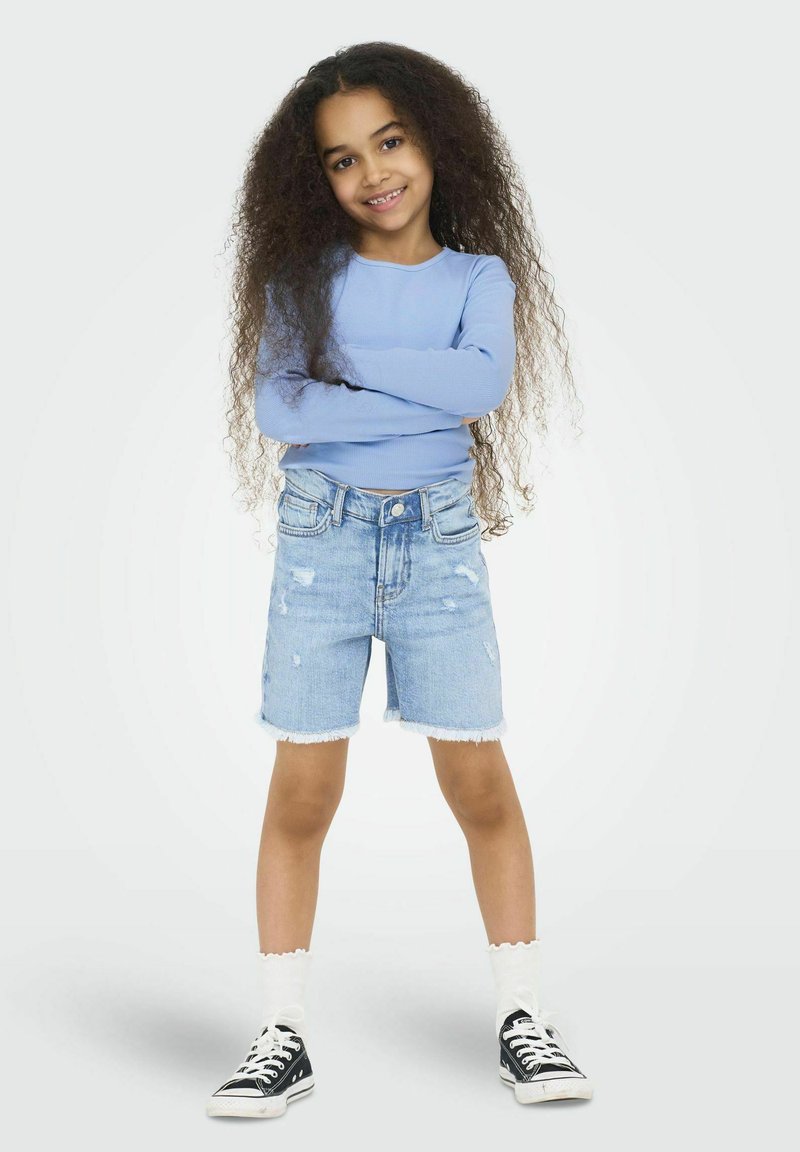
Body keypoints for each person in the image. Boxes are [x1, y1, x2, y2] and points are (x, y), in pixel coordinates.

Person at [207, 41, 592, 1118]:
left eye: (389, 141)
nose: (372, 172)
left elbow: (481, 386)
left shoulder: (479, 280)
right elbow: (280, 407)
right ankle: (280, 1032)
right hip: (321, 541)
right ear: (314, 180)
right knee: (302, 793)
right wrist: (422, 393)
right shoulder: (301, 281)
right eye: (341, 159)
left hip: (437, 545)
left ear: (435, 142)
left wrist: (348, 365)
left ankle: (521, 1016)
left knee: (479, 783)